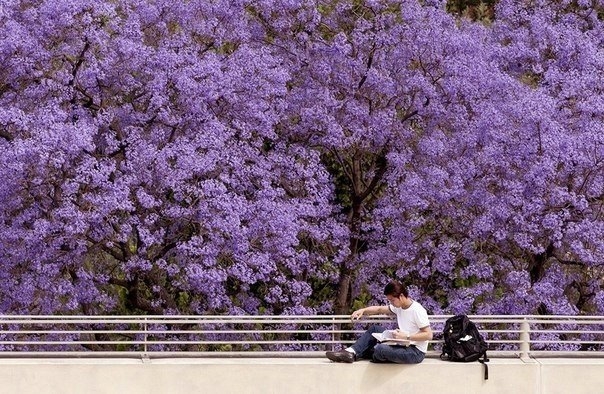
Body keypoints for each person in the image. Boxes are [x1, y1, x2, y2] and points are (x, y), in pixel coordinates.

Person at [326, 280, 433, 363]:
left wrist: (407, 337)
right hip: (403, 344)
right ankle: (351, 353)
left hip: (415, 352)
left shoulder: (417, 310)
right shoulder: (399, 307)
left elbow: (428, 335)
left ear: (401, 296)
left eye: (392, 300)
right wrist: (363, 310)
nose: (391, 303)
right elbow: (379, 309)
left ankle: (359, 353)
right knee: (375, 329)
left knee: (380, 349)